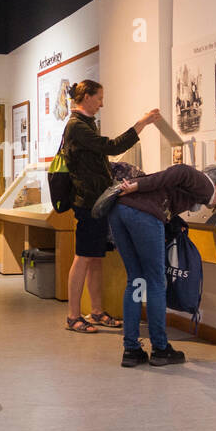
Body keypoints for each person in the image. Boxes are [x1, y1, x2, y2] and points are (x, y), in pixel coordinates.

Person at [101, 163, 216, 365]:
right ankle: (160, 348)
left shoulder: (194, 191)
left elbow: (171, 186)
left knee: (136, 280)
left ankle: (131, 349)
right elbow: (179, 171)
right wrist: (137, 185)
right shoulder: (205, 184)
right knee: (156, 282)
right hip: (143, 215)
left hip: (120, 211)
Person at [59, 80, 159, 333]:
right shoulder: (77, 126)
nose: (102, 103)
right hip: (88, 202)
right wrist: (142, 124)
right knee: (83, 257)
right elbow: (111, 147)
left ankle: (96, 310)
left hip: (97, 201)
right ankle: (73, 316)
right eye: (99, 98)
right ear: (87, 97)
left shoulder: (85, 125)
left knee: (95, 258)